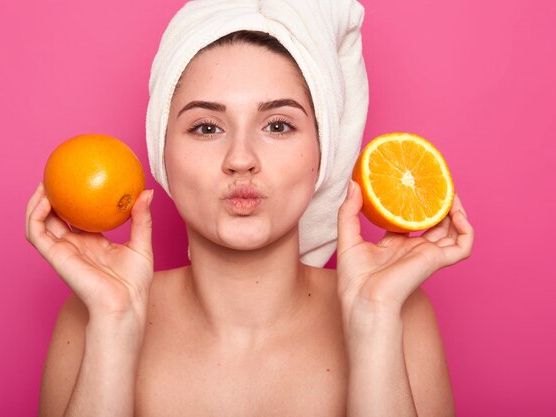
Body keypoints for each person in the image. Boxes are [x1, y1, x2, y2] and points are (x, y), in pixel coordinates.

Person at [26, 1, 474, 416]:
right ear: (162, 153)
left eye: (278, 125)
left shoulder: (398, 312)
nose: (241, 158)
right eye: (206, 127)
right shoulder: (93, 313)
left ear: (324, 155)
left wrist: (374, 321)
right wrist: (114, 324)